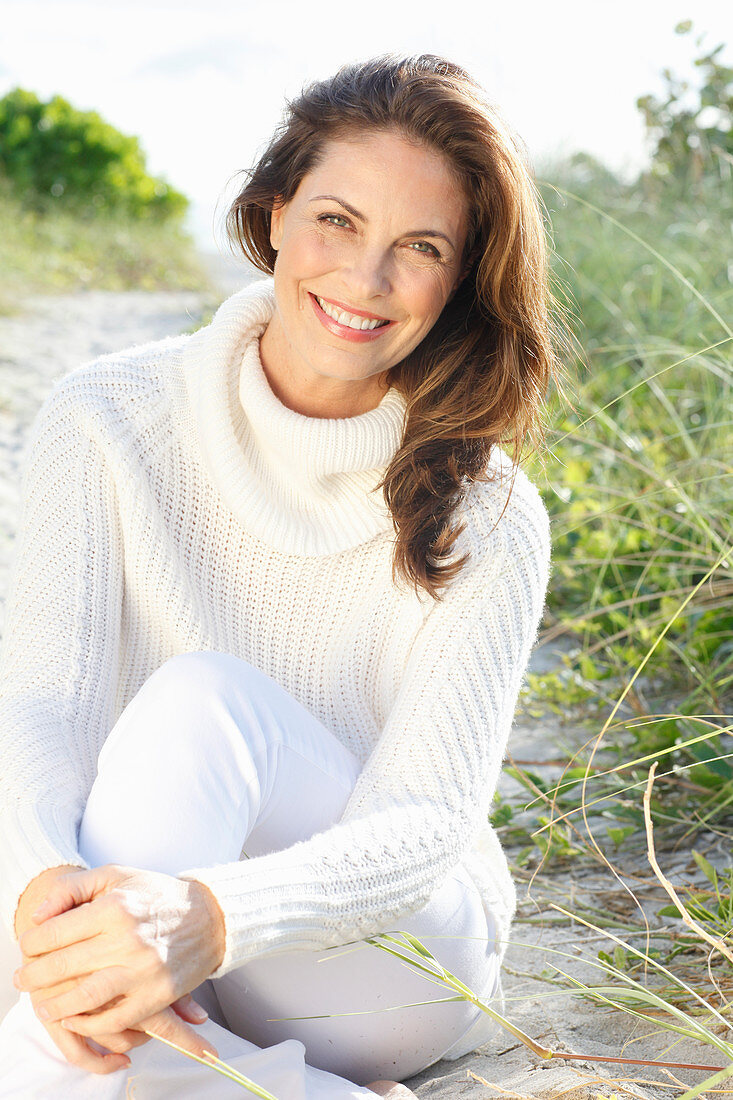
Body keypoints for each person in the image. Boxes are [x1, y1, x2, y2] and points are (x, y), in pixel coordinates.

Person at [0, 53, 572, 1098]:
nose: (364, 279)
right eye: (337, 222)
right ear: (272, 215)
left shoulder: (489, 508)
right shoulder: (103, 418)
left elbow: (421, 830)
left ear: (461, 278)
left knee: (201, 700)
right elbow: (43, 706)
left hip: (383, 959)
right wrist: (49, 891)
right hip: (139, 923)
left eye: (421, 247)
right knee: (57, 943)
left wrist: (209, 914)